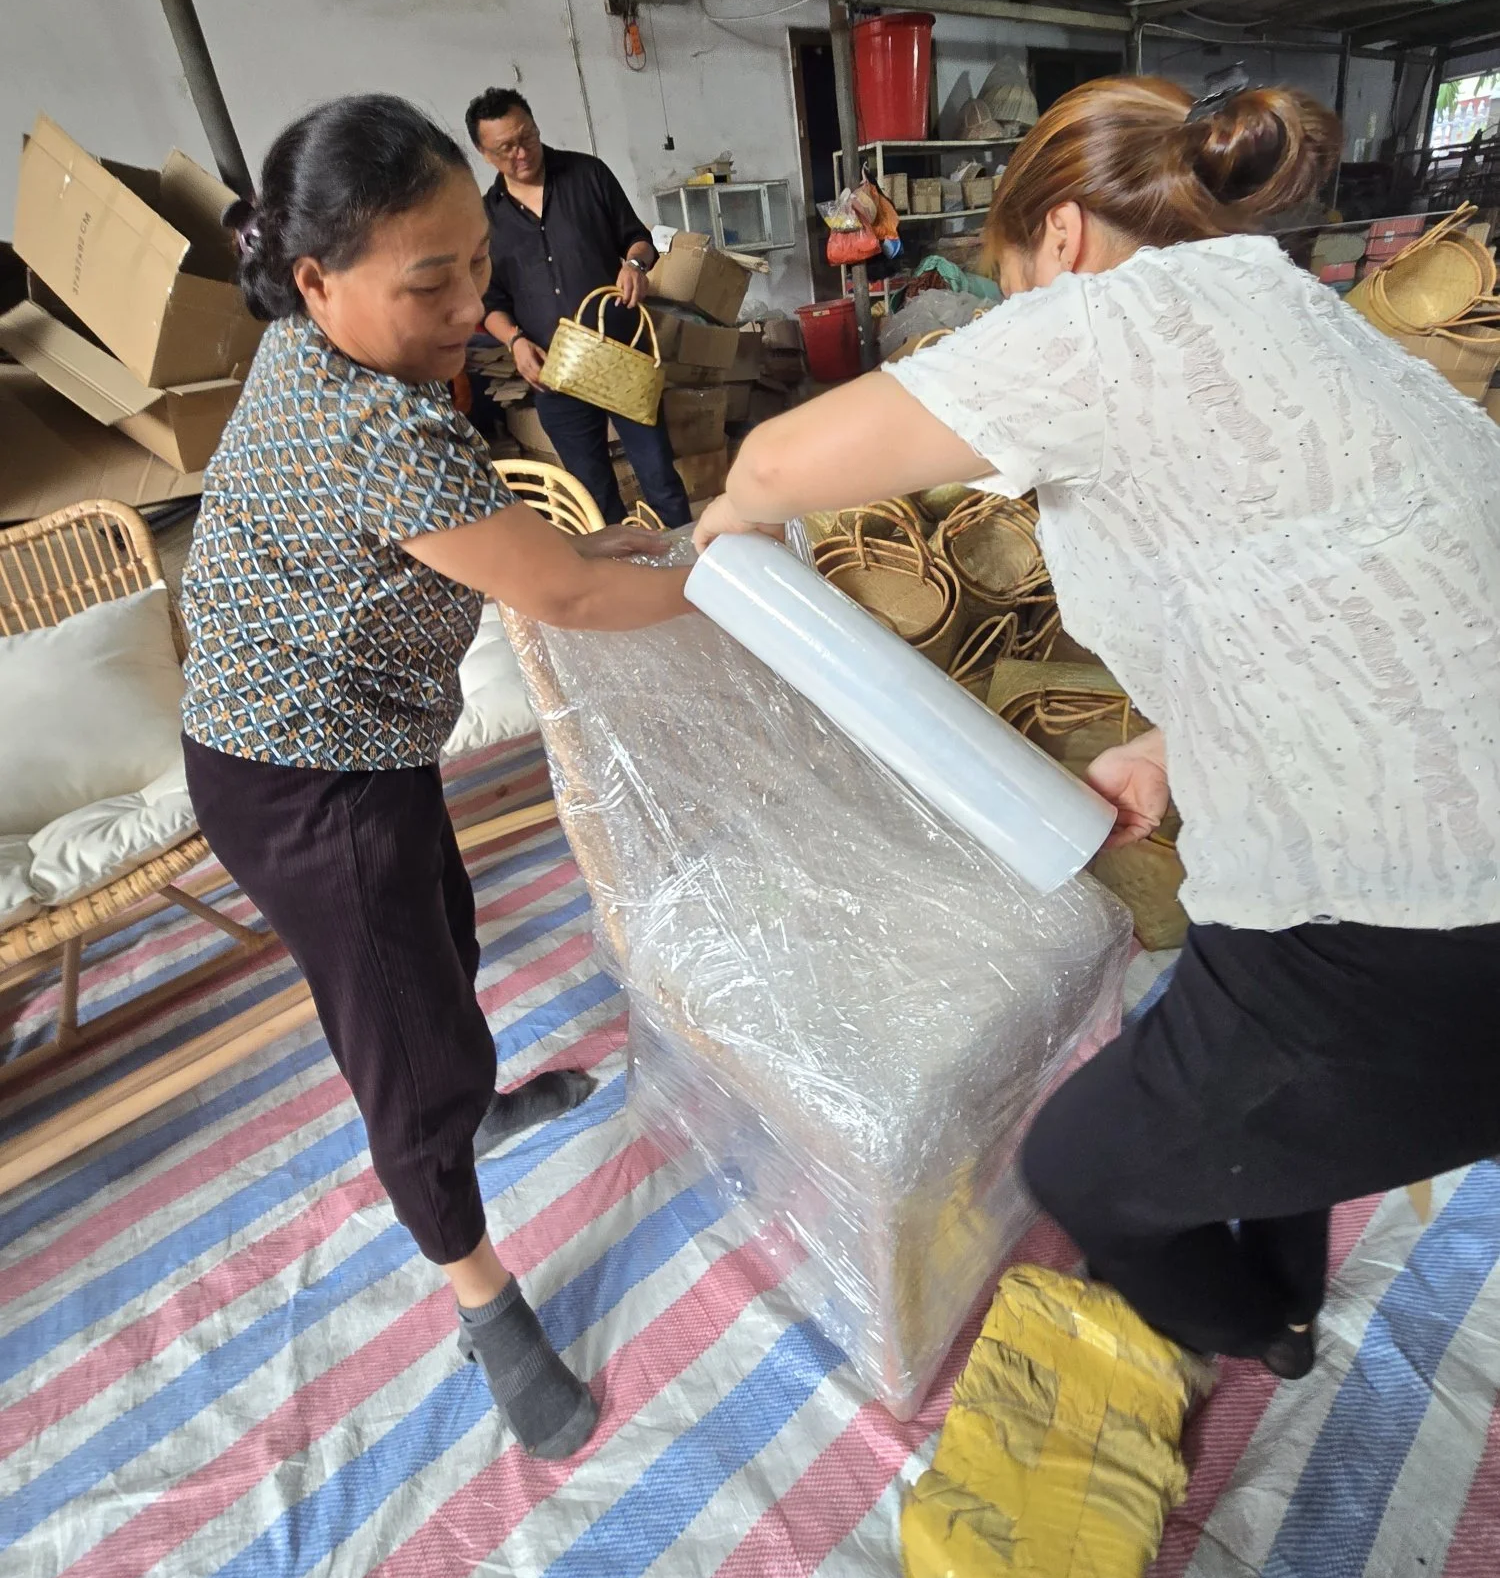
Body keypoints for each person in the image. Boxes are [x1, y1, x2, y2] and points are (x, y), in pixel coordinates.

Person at [695, 75, 1500, 1379]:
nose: (1020, 312)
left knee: (1080, 1163)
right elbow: (1331, 580)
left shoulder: (1112, 317)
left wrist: (726, 521)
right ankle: (1288, 1297)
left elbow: (780, 466)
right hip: (1428, 870)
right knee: (1233, 1043)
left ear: (1060, 235)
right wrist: (1171, 751)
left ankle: (1254, 1337)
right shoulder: (1299, 315)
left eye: (1012, 281)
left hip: (1420, 926)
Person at [181, 94, 689, 1460]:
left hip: (352, 746)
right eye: (433, 281)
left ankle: (477, 1099)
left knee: (441, 945)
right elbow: (564, 602)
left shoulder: (327, 359)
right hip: (299, 785)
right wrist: (712, 587)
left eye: (476, 262)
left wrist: (643, 553)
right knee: (398, 1045)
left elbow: (544, 553)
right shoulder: (374, 427)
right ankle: (484, 1300)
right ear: (314, 281)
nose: (471, 300)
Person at [467, 86, 691, 528]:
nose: (521, 153)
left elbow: (639, 239)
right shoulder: (484, 218)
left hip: (620, 354)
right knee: (590, 488)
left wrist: (632, 264)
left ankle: (688, 569)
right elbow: (490, 302)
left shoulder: (587, 174)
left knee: (657, 472)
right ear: (484, 153)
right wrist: (514, 343)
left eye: (526, 136)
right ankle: (622, 577)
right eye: (505, 148)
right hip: (555, 371)